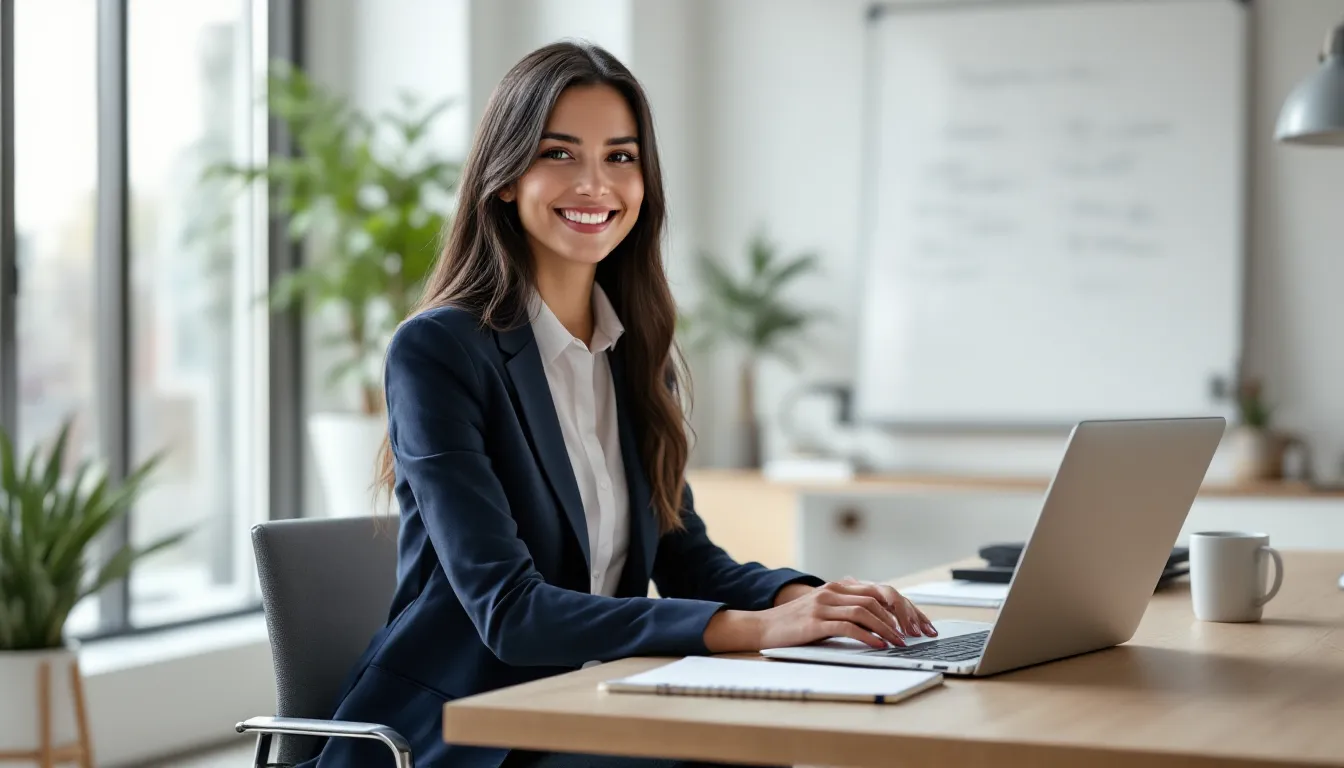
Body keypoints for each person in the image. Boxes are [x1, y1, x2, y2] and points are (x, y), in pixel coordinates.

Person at [303, 41, 935, 768]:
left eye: (621, 157)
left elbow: (685, 555)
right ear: (505, 179)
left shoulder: (634, 352)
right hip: (471, 728)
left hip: (598, 697)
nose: (595, 184)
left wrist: (814, 602)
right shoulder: (441, 349)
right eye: (560, 154)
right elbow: (511, 615)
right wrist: (759, 630)